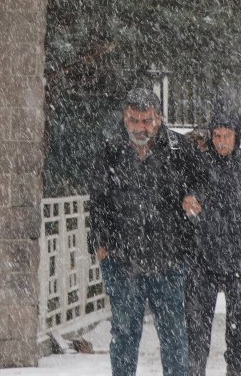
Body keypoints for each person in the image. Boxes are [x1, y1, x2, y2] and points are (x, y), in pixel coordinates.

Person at [89, 88, 204, 376]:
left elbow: (204, 180)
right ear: (124, 118)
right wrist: (100, 242)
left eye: (147, 121)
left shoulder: (179, 148)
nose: (140, 128)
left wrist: (194, 195)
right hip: (122, 260)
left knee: (174, 335)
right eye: (134, 120)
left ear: (159, 118)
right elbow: (98, 199)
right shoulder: (111, 150)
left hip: (169, 260)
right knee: (124, 334)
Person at [185, 110, 241, 376]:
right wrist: (189, 200)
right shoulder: (198, 165)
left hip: (240, 256)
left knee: (239, 318)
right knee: (198, 319)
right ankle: (196, 366)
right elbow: (184, 195)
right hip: (203, 256)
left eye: (227, 136)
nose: (221, 141)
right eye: (217, 135)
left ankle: (235, 365)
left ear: (236, 137)